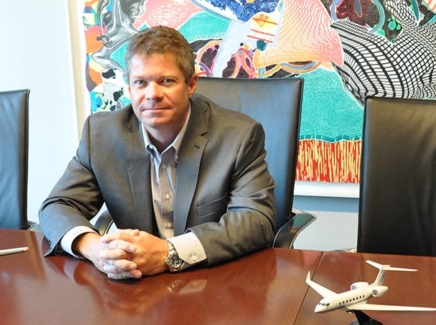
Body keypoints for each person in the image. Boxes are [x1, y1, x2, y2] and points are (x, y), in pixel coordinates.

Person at [39, 25, 276, 279]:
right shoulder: (100, 136)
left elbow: (256, 219)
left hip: (210, 282)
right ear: (129, 89)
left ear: (191, 84)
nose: (152, 94)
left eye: (166, 81)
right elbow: (58, 206)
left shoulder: (239, 136)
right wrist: (95, 249)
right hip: (137, 286)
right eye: (141, 83)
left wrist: (169, 253)